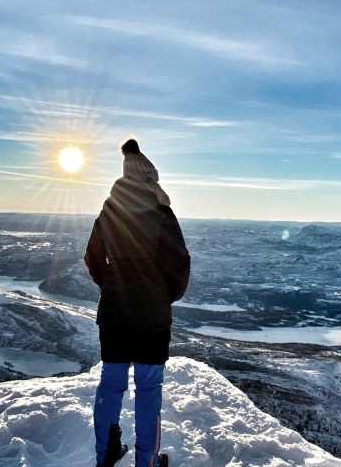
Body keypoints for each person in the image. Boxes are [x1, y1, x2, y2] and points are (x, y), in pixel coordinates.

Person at [85, 139, 190, 467]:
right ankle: (145, 461)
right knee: (148, 388)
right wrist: (164, 295)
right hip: (152, 319)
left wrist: (113, 286)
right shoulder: (161, 212)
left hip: (114, 313)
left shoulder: (109, 210)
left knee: (111, 383)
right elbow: (180, 261)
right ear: (147, 180)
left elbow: (92, 257)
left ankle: (105, 456)